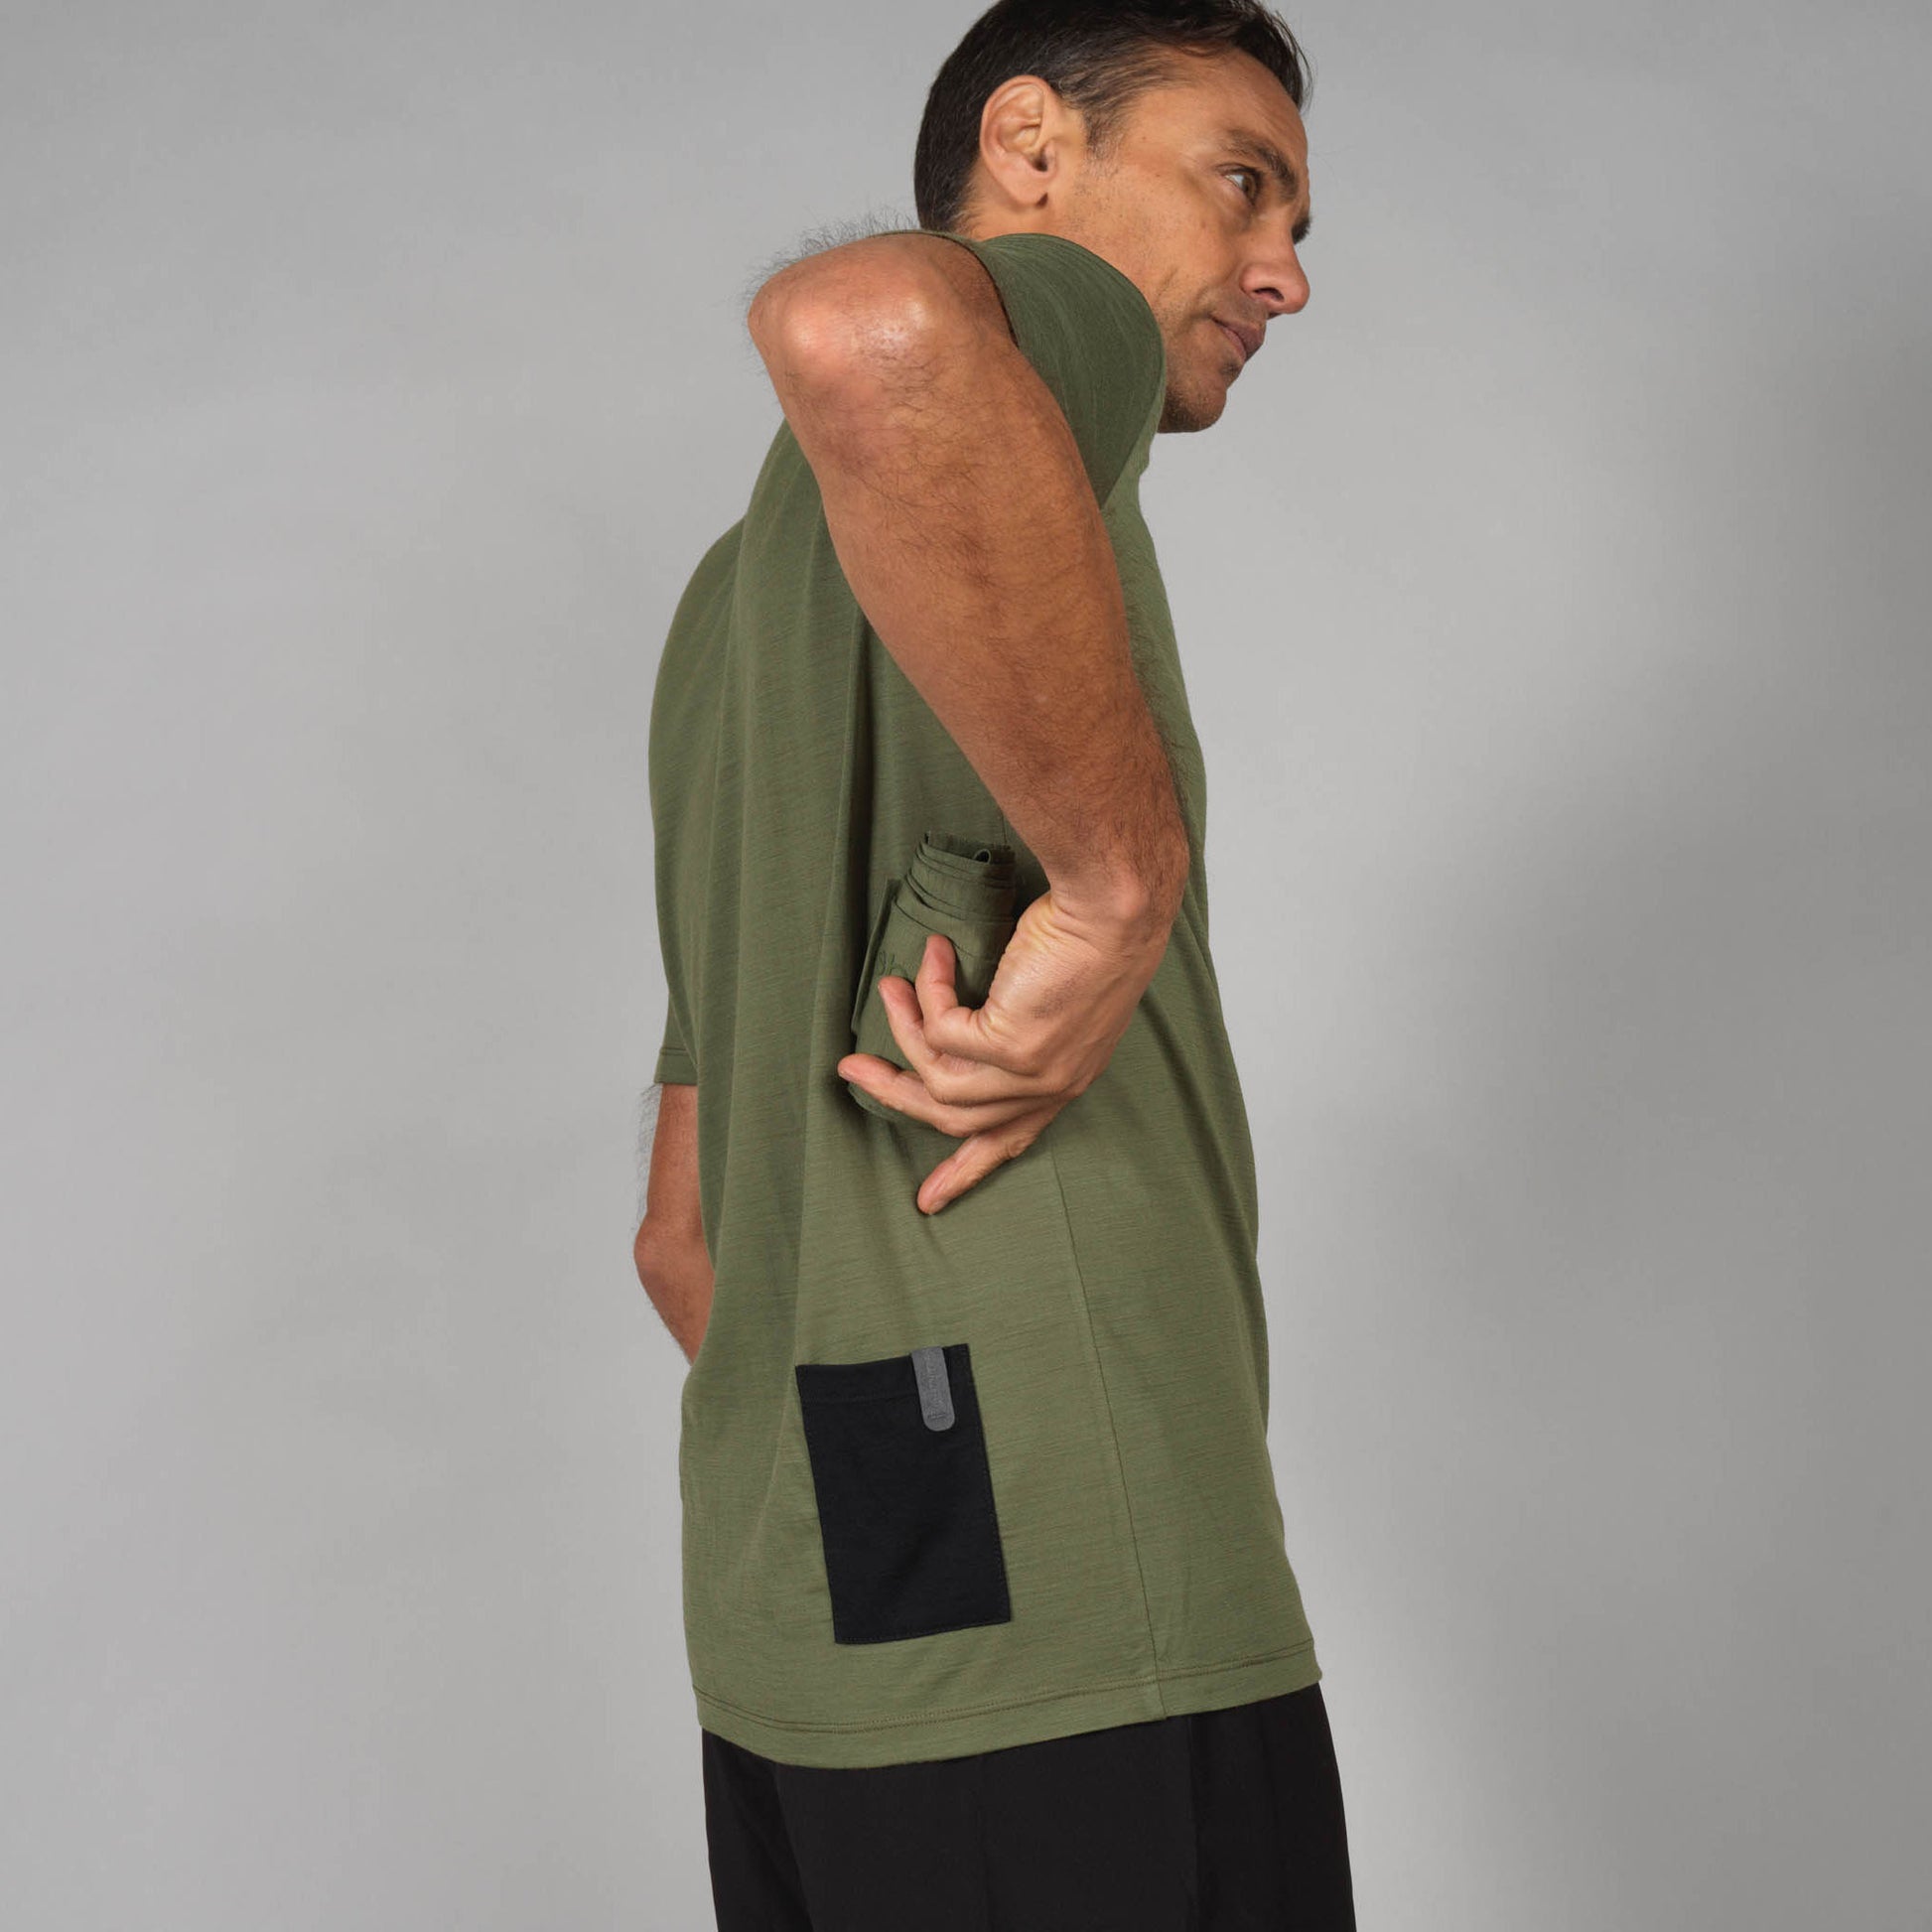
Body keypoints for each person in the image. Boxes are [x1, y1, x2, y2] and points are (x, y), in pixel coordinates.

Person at [633, 2, 1356, 1923]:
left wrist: (917, 1478)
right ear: (1032, 145)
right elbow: (866, 320)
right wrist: (1117, 886)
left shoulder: (731, 604)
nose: (1282, 271)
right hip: (1085, 1607)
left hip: (817, 1601)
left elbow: (684, 1237)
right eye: (1241, 182)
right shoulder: (1050, 312)